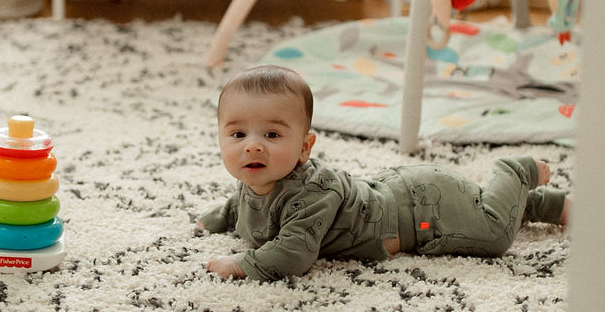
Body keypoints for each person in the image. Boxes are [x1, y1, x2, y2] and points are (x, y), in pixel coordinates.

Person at [197, 65, 569, 282]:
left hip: (423, 211)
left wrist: (242, 265)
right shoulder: (258, 175)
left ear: (305, 148)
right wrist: (217, 218)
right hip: (399, 191)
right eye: (238, 134)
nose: (253, 146)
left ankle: (515, 172)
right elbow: (241, 203)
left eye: (273, 134)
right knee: (478, 206)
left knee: (492, 234)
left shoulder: (311, 195)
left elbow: (294, 254)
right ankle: (546, 206)